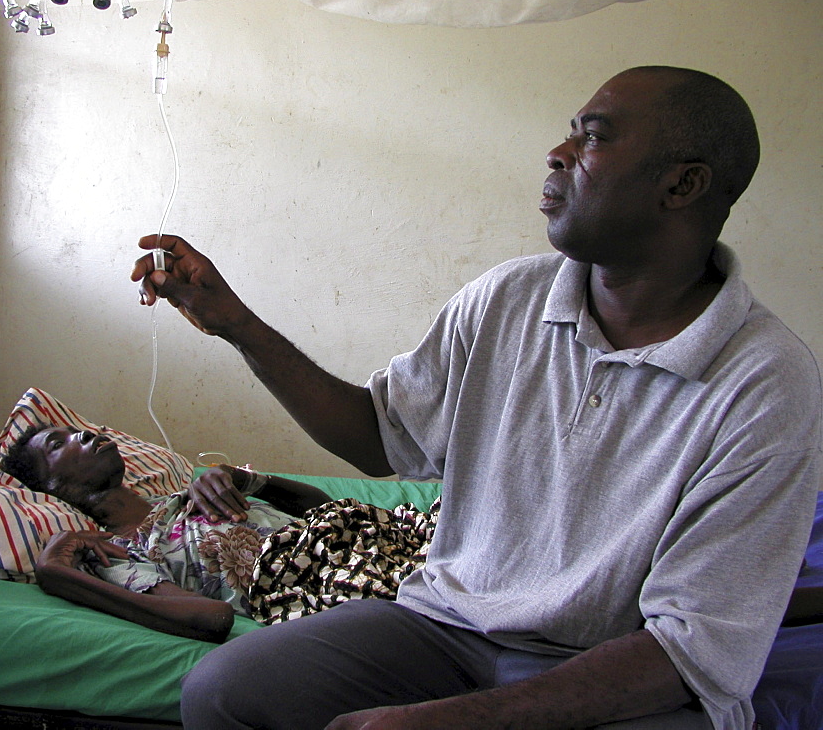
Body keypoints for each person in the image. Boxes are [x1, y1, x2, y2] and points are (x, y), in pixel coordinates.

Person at [130, 66, 822, 729]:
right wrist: (236, 325)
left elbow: (685, 651)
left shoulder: (765, 379)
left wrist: (448, 720)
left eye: (594, 136)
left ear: (683, 184)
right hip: (447, 628)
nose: (557, 153)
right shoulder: (506, 301)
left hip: (619, 672)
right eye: (569, 132)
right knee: (226, 692)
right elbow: (379, 436)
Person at [0, 423, 332, 643]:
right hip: (340, 585)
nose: (86, 435)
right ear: (51, 488)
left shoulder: (189, 495)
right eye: (58, 444)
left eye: (78, 431)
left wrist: (244, 479)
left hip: (363, 535)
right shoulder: (119, 551)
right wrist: (56, 574)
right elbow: (214, 617)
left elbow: (325, 507)